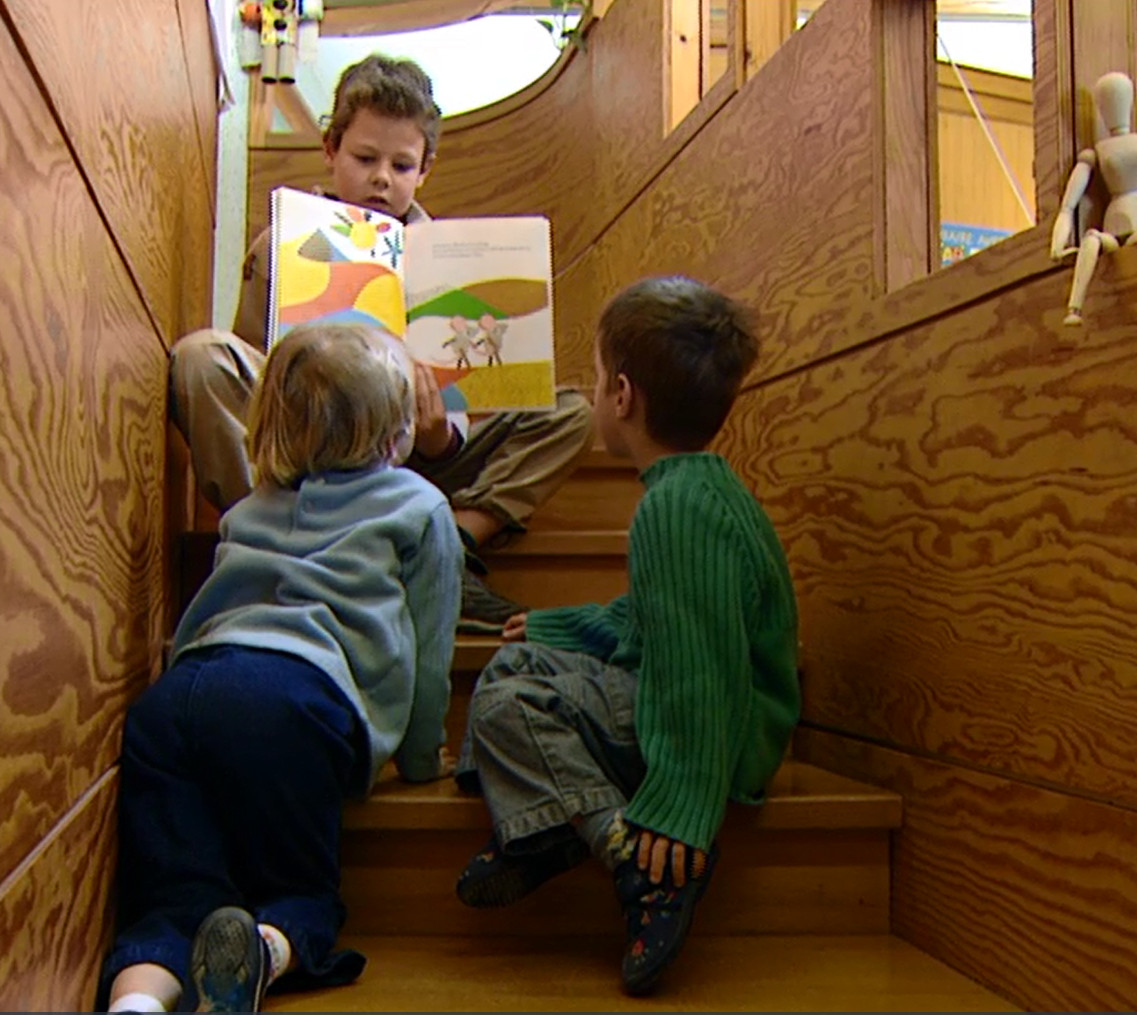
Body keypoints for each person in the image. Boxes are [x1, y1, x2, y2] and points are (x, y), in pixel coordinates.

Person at [452, 276, 801, 996]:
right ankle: (540, 825)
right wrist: (558, 625)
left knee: (505, 703)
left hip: (719, 737)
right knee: (518, 660)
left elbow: (698, 675)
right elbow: (655, 620)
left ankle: (630, 862)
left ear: (620, 395)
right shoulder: (693, 490)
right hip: (712, 713)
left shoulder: (674, 512)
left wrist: (681, 808)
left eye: (595, 374)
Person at [101, 322, 461, 1013]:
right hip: (291, 703)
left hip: (175, 699)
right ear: (396, 430)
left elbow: (209, 608)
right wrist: (421, 759)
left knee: (169, 896)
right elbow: (429, 645)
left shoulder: (247, 509)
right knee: (296, 891)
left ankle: (136, 1001)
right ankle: (265, 949)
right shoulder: (420, 506)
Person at [170, 54, 592, 632]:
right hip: (305, 452)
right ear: (330, 149)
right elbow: (252, 378)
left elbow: (456, 416)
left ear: (425, 169)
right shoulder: (281, 244)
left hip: (412, 460)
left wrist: (438, 432)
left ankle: (450, 546)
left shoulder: (444, 257)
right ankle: (277, 534)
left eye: (402, 164)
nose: (382, 179)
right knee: (202, 358)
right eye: (365, 158)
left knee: (570, 412)